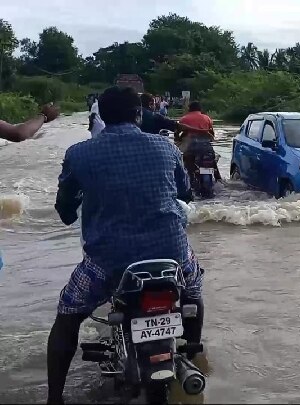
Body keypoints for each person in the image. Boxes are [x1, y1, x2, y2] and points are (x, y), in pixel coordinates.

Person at [47, 87, 204, 404]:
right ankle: (192, 353)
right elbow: (185, 194)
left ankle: (54, 397)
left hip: (108, 261)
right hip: (170, 253)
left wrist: (70, 211)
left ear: (99, 116)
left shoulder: (79, 153)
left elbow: (65, 206)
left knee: (68, 315)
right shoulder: (166, 148)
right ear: (139, 114)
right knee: (195, 291)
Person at [178, 101, 222, 182]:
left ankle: (190, 181)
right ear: (200, 109)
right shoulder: (207, 118)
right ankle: (218, 179)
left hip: (189, 147)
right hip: (205, 147)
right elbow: (211, 134)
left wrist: (178, 141)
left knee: (188, 166)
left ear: (189, 109)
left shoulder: (184, 119)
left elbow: (178, 134)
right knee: (212, 163)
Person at [139, 93, 208, 136]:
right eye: (154, 104)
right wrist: (201, 131)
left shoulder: (131, 113)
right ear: (150, 104)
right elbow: (177, 127)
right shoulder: (155, 117)